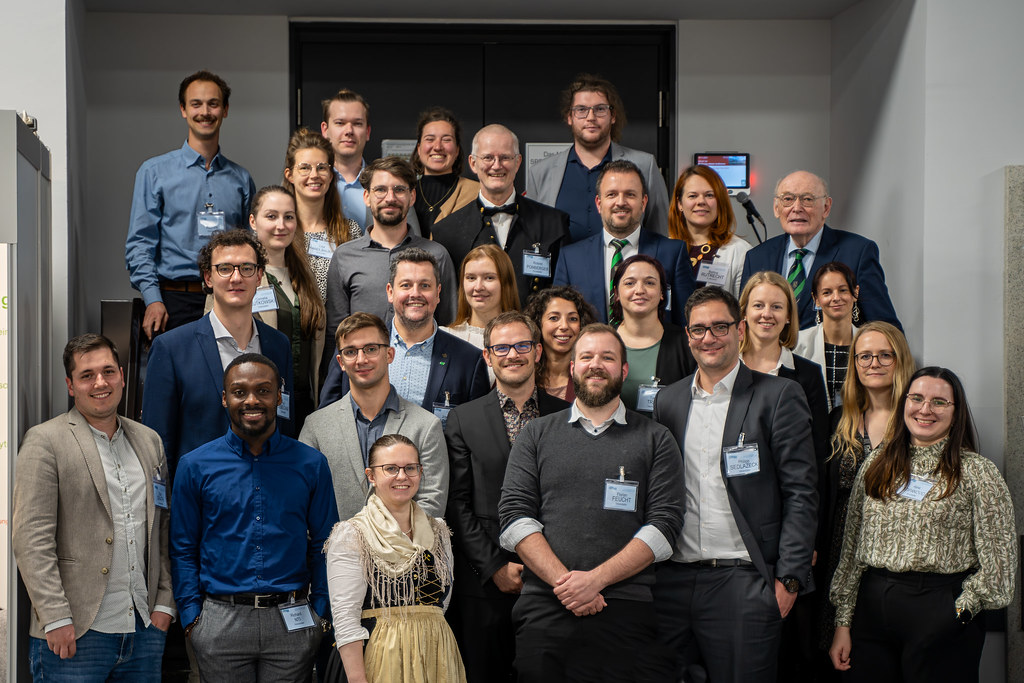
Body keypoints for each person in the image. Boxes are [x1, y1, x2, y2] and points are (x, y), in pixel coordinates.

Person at [498, 323, 685, 682]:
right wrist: (568, 585)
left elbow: (664, 526)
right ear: (572, 367)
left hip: (627, 608)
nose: (596, 364)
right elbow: (514, 518)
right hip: (546, 607)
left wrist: (596, 581)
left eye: (608, 357)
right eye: (586, 356)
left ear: (624, 370)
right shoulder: (536, 434)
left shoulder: (656, 438)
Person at [652, 286, 818, 683]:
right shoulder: (668, 402)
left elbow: (802, 492)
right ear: (687, 335)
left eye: (720, 327)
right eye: (698, 329)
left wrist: (790, 579)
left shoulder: (778, 396)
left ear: (740, 330)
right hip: (673, 581)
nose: (709, 338)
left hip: (744, 582)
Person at [829, 367, 1017, 683]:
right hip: (873, 611)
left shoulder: (978, 473)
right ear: (904, 404)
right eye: (916, 398)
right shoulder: (877, 463)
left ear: (956, 414)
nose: (925, 409)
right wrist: (843, 623)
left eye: (939, 402)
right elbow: (851, 551)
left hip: (941, 608)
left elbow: (1000, 570)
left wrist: (959, 614)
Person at [13, 334, 173, 681]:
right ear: (71, 385)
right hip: (75, 635)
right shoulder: (45, 441)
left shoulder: (149, 441)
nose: (100, 383)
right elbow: (31, 539)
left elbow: (163, 530)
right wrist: (55, 617)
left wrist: (164, 604)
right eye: (87, 375)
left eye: (108, 371)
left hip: (143, 631)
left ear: (122, 377)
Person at [170, 353, 339, 681]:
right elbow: (182, 547)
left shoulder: (311, 464)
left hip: (292, 620)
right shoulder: (195, 466)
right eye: (239, 391)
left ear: (278, 396)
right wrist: (193, 617)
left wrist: (320, 612)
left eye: (263, 391)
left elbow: (326, 544)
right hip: (220, 621)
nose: (251, 400)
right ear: (224, 398)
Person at [444, 311, 570, 682]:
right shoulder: (463, 419)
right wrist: (493, 567)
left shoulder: (567, 415)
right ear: (487, 356)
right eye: (501, 347)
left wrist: (549, 566)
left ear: (537, 352)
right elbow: (457, 504)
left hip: (556, 578)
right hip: (486, 584)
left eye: (521, 345)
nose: (512, 354)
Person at [736, 271, 830, 681]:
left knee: (792, 648)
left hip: (790, 524)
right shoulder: (723, 365)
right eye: (758, 305)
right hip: (737, 519)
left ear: (790, 316)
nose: (767, 314)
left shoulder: (806, 374)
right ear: (743, 313)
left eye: (778, 306)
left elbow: (819, 461)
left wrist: (807, 540)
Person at [142, 228, 295, 478]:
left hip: (269, 489)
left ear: (259, 276)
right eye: (225, 268)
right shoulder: (171, 348)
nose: (236, 278)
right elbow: (157, 445)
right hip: (200, 498)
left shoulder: (278, 345)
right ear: (208, 278)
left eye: (246, 268)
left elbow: (285, 424)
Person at [323, 434, 465, 683]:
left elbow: (441, 605)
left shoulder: (439, 530)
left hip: (436, 652)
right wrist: (357, 679)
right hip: (381, 656)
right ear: (371, 475)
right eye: (390, 468)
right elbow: (345, 617)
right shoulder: (352, 533)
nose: (402, 476)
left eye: (410, 468)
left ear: (420, 472)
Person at [126, 70, 256, 338]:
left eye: (213, 103)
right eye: (196, 104)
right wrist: (153, 299)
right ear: (183, 110)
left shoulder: (241, 179)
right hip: (173, 303)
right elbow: (139, 244)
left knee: (230, 378)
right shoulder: (154, 173)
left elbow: (249, 246)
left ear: (225, 110)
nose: (205, 112)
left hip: (228, 299)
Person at [817, 322, 914, 667]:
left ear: (900, 360)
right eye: (864, 356)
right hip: (841, 551)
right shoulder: (837, 421)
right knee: (847, 657)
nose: (874, 363)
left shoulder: (919, 420)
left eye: (885, 355)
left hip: (898, 557)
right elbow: (820, 493)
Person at [300, 312, 449, 520]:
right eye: (351, 352)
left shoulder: (425, 426)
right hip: (334, 549)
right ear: (341, 362)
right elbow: (304, 498)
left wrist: (385, 543)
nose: (361, 359)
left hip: (404, 550)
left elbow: (432, 503)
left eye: (371, 349)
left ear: (389, 354)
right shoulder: (316, 426)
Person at [320, 248, 490, 413]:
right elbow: (328, 419)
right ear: (390, 292)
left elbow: (474, 433)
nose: (415, 293)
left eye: (424, 285)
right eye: (406, 285)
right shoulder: (352, 349)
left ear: (438, 293)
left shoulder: (469, 361)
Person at [741, 170, 901, 331]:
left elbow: (885, 327)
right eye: (788, 199)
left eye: (808, 199)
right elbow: (745, 324)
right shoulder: (756, 257)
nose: (797, 208)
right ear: (776, 208)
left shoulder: (857, 252)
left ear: (826, 207)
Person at [432, 124, 570, 306]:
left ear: (518, 162)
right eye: (488, 157)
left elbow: (562, 297)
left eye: (505, 157)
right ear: (473, 163)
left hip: (533, 332)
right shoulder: (446, 232)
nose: (496, 166)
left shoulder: (554, 224)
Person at [324, 156, 457, 338]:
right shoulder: (344, 256)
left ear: (412, 197)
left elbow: (448, 326)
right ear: (367, 197)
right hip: (362, 364)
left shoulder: (436, 254)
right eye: (380, 190)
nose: (390, 198)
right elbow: (336, 331)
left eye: (399, 190)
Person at [527, 74, 671, 240]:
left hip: (625, 265)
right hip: (561, 266)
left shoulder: (645, 166)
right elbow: (533, 239)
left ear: (613, 116)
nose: (591, 117)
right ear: (569, 117)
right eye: (581, 110)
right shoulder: (540, 173)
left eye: (600, 109)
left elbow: (661, 236)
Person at [553, 159, 694, 325]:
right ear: (599, 204)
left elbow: (687, 323)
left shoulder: (673, 253)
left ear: (643, 203)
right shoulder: (570, 259)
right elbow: (560, 321)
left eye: (630, 194)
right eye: (612, 194)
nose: (620, 202)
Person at [248, 185, 326, 431]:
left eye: (288, 217)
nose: (281, 225)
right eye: (271, 216)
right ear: (253, 221)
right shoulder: (240, 276)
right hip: (259, 403)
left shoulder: (305, 277)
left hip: (304, 402)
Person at [609, 254, 694, 413]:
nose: (640, 290)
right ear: (617, 293)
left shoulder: (686, 343)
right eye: (630, 283)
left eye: (649, 283)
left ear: (662, 292)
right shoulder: (601, 342)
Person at [282, 128, 358, 303]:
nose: (314, 175)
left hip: (336, 328)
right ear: (290, 175)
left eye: (321, 167)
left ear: (331, 175)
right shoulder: (278, 230)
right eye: (305, 168)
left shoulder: (350, 231)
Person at [668, 164, 752, 297]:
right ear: (679, 204)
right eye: (692, 196)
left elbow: (743, 308)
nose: (701, 201)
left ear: (720, 202)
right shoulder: (666, 249)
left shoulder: (740, 251)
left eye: (709, 195)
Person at [794, 261, 861, 411]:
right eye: (827, 292)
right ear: (816, 299)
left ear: (855, 292)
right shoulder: (797, 344)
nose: (836, 298)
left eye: (843, 290)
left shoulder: (869, 343)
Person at [409, 107, 480, 238]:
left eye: (446, 140)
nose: (437, 147)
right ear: (419, 148)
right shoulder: (403, 193)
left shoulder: (477, 193)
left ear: (457, 149)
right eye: (430, 139)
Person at [523, 285, 597, 402]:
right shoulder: (523, 371)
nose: (564, 326)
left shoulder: (593, 374)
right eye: (554, 318)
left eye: (572, 319)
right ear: (538, 323)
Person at [442, 243, 521, 351]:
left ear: (506, 283)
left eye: (489, 278)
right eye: (471, 278)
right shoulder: (444, 337)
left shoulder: (523, 339)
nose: (478, 287)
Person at [321, 88, 373, 231]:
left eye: (357, 124)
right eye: (340, 123)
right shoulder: (310, 182)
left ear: (367, 132)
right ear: (325, 130)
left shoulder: (382, 184)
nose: (349, 131)